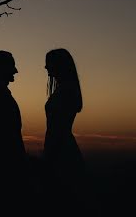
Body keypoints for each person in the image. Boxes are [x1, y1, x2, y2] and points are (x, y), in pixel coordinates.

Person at [0, 50, 27, 184]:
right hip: (7, 168)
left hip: (7, 165)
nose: (15, 71)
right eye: (12, 66)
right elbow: (6, 135)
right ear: (2, 68)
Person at [43, 48, 85, 186]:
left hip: (61, 150)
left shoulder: (66, 91)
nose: (45, 66)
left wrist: (48, 156)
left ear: (58, 65)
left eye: (48, 63)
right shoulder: (64, 90)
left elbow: (57, 130)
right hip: (62, 147)